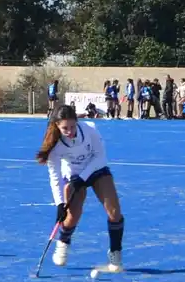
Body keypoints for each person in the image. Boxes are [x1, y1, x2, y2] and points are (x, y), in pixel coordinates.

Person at [37, 104, 125, 272]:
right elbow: (55, 176)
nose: (70, 132)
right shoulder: (54, 145)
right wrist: (59, 204)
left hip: (97, 170)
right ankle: (63, 242)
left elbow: (100, 157)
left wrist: (83, 178)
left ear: (77, 122)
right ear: (56, 125)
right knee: (71, 217)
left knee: (114, 212)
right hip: (72, 175)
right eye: (65, 128)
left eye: (72, 126)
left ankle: (115, 253)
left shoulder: (90, 129)